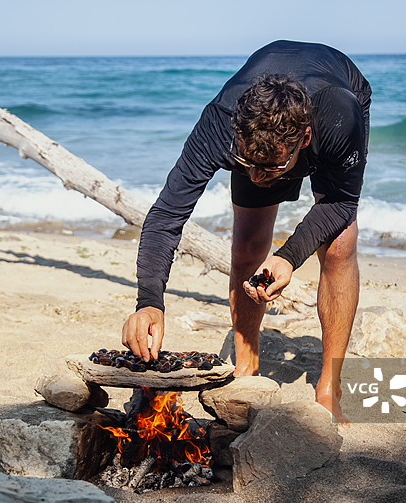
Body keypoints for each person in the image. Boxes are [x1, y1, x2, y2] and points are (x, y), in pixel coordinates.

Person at [121, 40, 371, 423]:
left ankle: (329, 386)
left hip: (337, 96)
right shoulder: (221, 122)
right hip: (263, 136)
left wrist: (289, 256)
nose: (256, 177)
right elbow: (168, 214)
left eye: (267, 169)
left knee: (339, 244)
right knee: (249, 242)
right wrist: (149, 301)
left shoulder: (340, 115)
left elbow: (340, 203)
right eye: (244, 163)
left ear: (303, 140)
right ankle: (246, 366)